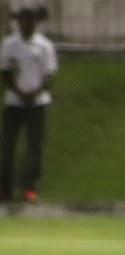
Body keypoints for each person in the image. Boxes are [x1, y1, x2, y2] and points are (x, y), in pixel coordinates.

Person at [0, 5, 56, 203]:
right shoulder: (9, 44)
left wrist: (35, 93)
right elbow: (5, 72)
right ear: (19, 22)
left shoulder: (44, 46)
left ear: (35, 22)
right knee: (8, 147)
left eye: (30, 20)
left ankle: (30, 188)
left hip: (37, 103)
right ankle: (5, 189)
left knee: (34, 147)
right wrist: (19, 92)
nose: (27, 23)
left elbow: (49, 75)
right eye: (23, 20)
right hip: (14, 102)